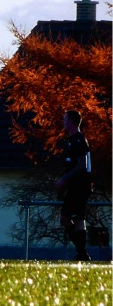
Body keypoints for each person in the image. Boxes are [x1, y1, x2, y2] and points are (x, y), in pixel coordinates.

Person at [55, 110, 92, 261]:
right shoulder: (71, 141)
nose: (63, 122)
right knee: (78, 219)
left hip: (80, 186)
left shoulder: (79, 141)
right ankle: (82, 254)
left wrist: (64, 179)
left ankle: (82, 252)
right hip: (75, 186)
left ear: (71, 121)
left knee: (65, 218)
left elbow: (82, 165)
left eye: (64, 119)